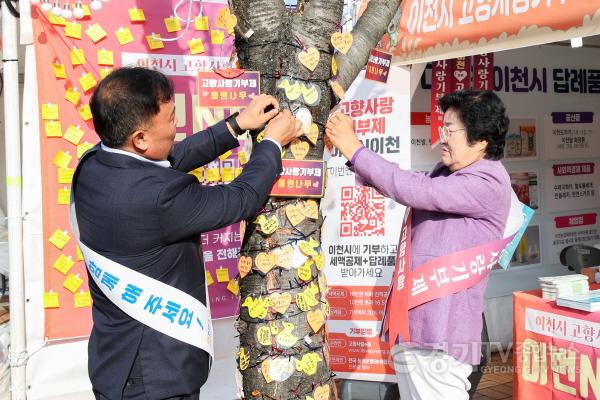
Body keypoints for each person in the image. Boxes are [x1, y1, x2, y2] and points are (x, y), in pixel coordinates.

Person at [72, 67, 302, 400]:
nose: (177, 128)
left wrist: (235, 125)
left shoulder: (96, 163)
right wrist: (271, 144)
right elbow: (241, 198)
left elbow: (169, 159)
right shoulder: (157, 198)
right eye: (171, 120)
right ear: (140, 138)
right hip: (155, 376)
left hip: (116, 362)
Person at [325, 90, 511, 400]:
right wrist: (352, 153)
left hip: (440, 330)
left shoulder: (487, 180)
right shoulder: (451, 174)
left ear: (481, 140)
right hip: (416, 326)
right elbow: (407, 182)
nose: (442, 139)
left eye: (450, 130)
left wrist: (355, 149)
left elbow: (417, 189)